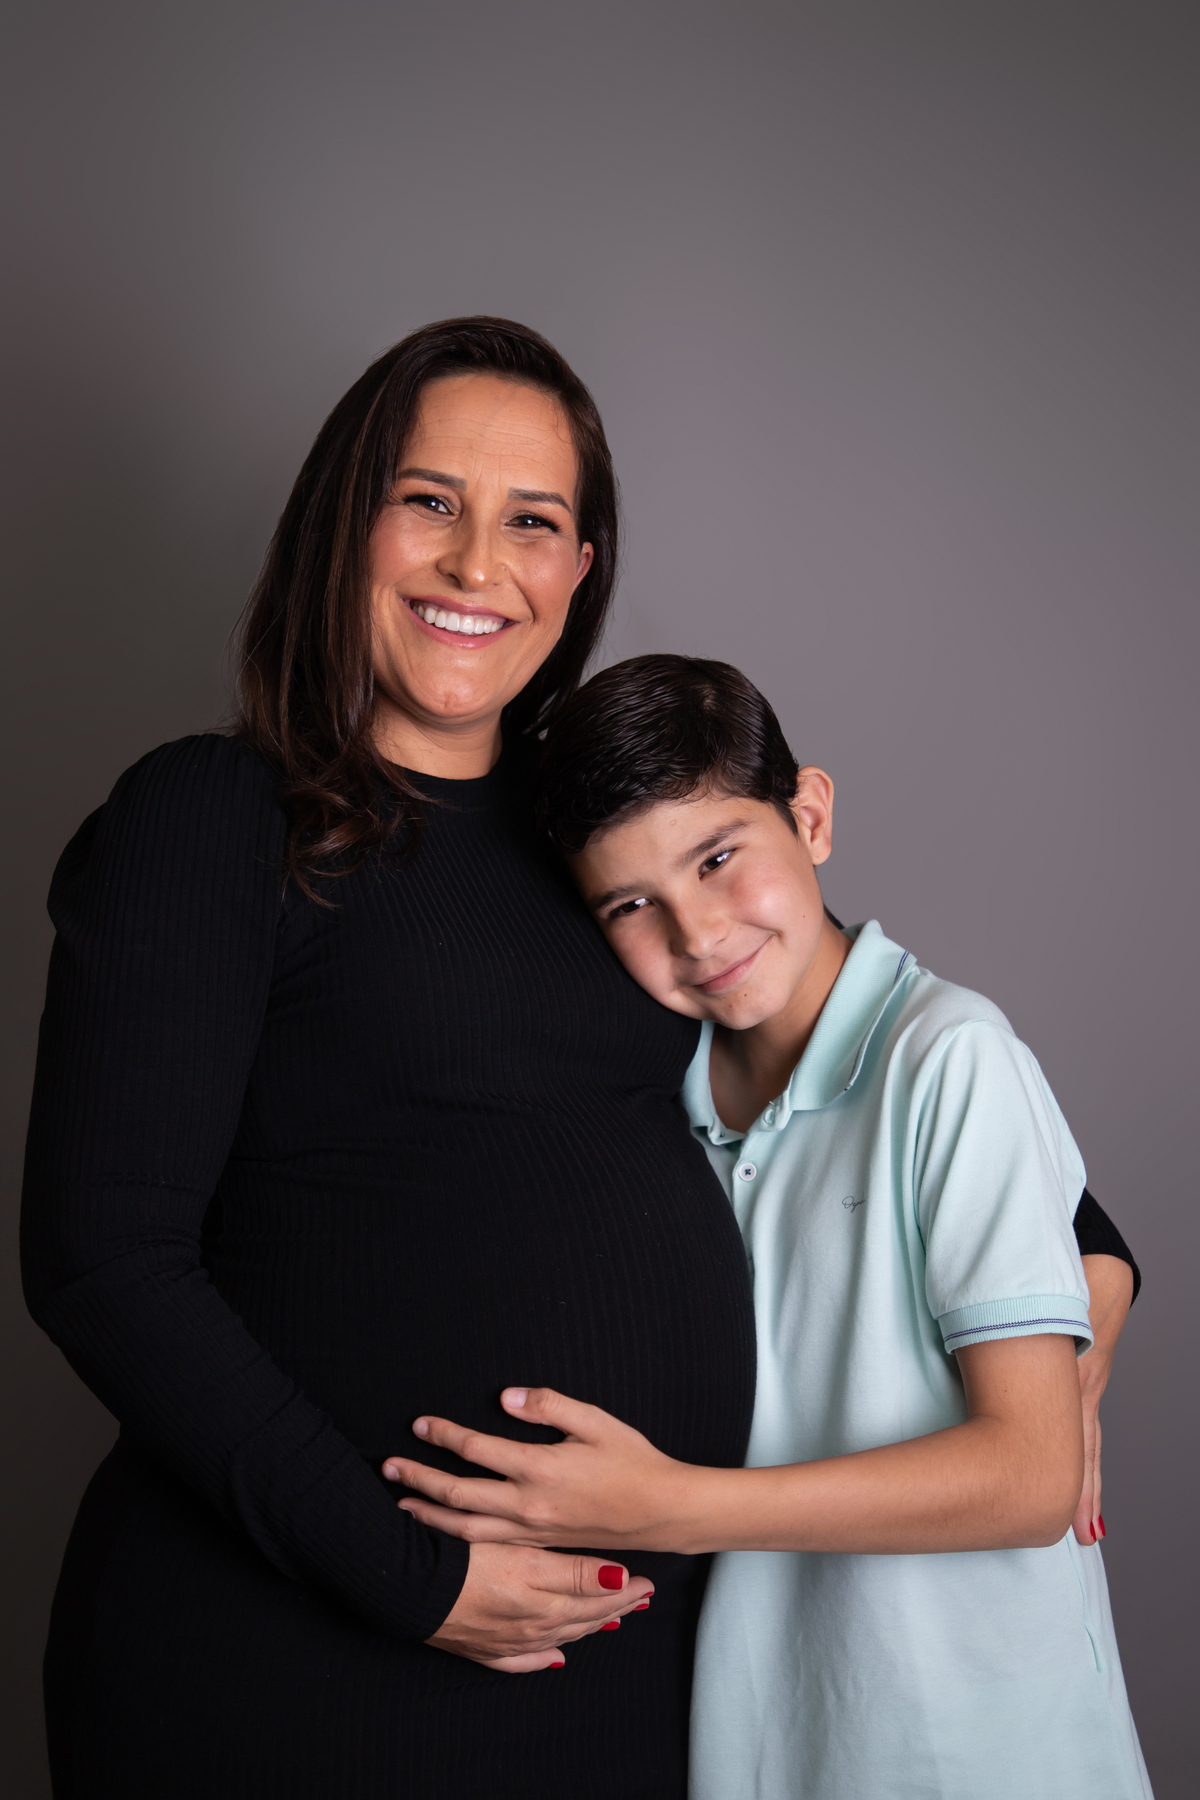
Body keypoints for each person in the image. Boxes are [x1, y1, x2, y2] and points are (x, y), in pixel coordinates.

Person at [21, 322, 1133, 1800]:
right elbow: (104, 1260)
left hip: (621, 1692)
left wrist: (1071, 1344)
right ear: (343, 522)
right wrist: (409, 1575)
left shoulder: (601, 842)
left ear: (582, 567)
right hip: (296, 1661)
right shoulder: (217, 817)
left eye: (533, 521)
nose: (477, 563)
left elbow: (896, 1073)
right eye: (428, 500)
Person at [387, 655, 1151, 1800]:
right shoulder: (658, 1094)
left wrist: (668, 1505)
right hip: (770, 1726)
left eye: (718, 858)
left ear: (812, 815)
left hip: (980, 1735)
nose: (698, 933)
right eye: (631, 905)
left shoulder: (950, 1058)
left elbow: (1033, 1475)